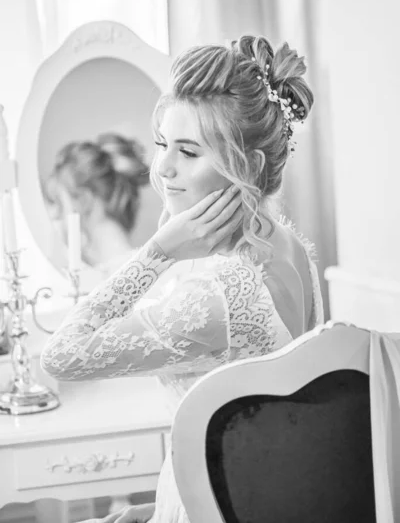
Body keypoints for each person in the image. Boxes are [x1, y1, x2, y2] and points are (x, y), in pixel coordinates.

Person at [41, 35, 324, 523]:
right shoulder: (287, 246)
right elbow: (251, 442)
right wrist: (155, 509)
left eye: (189, 152)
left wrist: (156, 253)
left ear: (249, 167)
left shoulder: (218, 295)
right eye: (161, 144)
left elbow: (60, 356)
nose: (163, 168)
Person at [43, 133, 150, 276]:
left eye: (57, 202)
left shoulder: (121, 274)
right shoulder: (103, 269)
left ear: (84, 200)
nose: (53, 213)